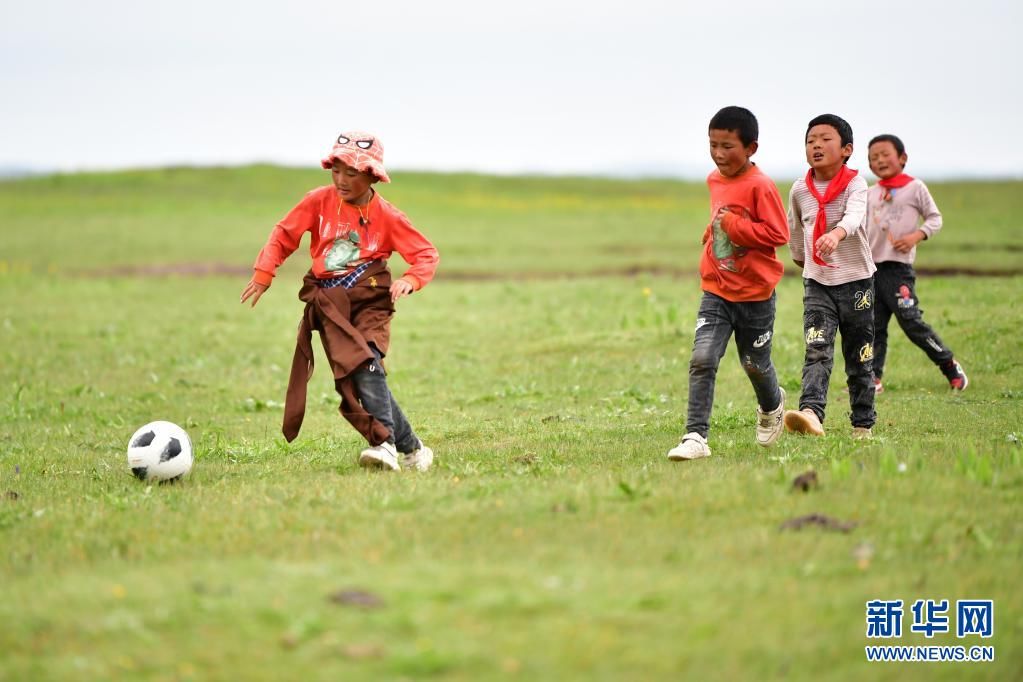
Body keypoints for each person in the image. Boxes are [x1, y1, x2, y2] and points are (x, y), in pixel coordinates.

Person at [240, 131, 439, 471]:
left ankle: (384, 444)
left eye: (352, 173)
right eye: (337, 170)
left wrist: (410, 279)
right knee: (360, 373)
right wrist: (264, 273)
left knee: (366, 362)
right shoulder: (318, 201)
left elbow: (426, 254)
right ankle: (415, 450)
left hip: (371, 298)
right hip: (331, 304)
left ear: (372, 175)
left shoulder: (388, 217)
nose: (342, 180)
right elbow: (283, 234)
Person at [668, 106, 789, 461]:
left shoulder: (761, 185)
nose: (719, 154)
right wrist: (712, 231)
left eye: (727, 146)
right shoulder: (714, 180)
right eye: (712, 145)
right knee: (703, 358)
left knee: (755, 363)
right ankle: (695, 437)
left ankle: (772, 405)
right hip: (717, 289)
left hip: (755, 295)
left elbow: (777, 233)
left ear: (751, 148)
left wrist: (735, 228)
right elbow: (721, 214)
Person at [784, 114, 876, 439]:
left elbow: (854, 217)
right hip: (818, 284)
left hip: (857, 284)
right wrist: (803, 259)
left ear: (847, 149)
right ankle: (810, 413)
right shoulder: (799, 189)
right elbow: (795, 229)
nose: (816, 146)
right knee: (817, 348)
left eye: (825, 140)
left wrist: (835, 235)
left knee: (859, 356)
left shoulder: (856, 183)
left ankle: (862, 424)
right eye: (810, 141)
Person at [865, 133, 968, 392]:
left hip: (898, 270)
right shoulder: (870, 193)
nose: (880, 160)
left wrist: (916, 235)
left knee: (911, 322)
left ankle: (949, 364)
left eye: (885, 154)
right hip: (872, 269)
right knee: (873, 327)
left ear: (902, 158)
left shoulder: (915, 187)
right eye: (873, 157)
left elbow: (935, 218)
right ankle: (872, 379)